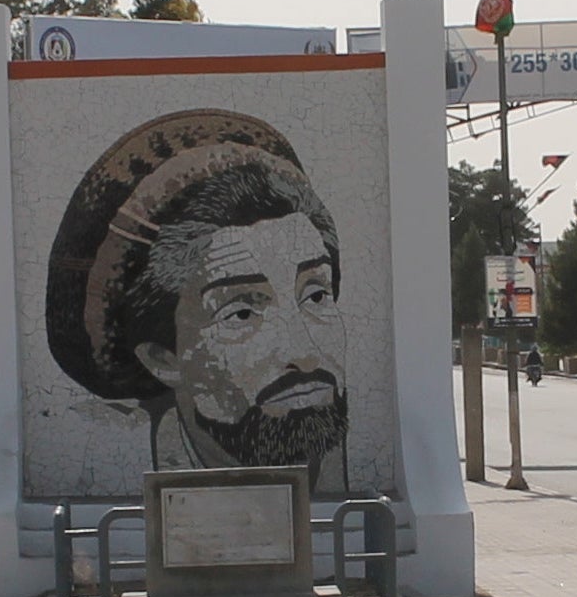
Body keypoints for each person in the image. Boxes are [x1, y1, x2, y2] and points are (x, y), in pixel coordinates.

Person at [48, 112, 351, 488]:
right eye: (241, 313)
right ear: (164, 359)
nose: (304, 353)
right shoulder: (96, 471)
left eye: (316, 295)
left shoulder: (368, 504)